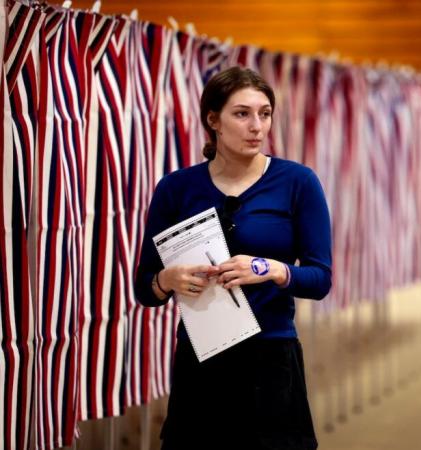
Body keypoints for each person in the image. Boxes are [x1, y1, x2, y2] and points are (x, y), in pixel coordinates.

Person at [134, 66, 332, 449]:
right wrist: (167, 281)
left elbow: (320, 280)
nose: (256, 125)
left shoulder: (298, 182)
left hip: (272, 357)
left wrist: (270, 269)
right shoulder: (176, 188)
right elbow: (144, 288)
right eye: (242, 114)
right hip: (201, 359)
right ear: (213, 120)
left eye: (265, 113)